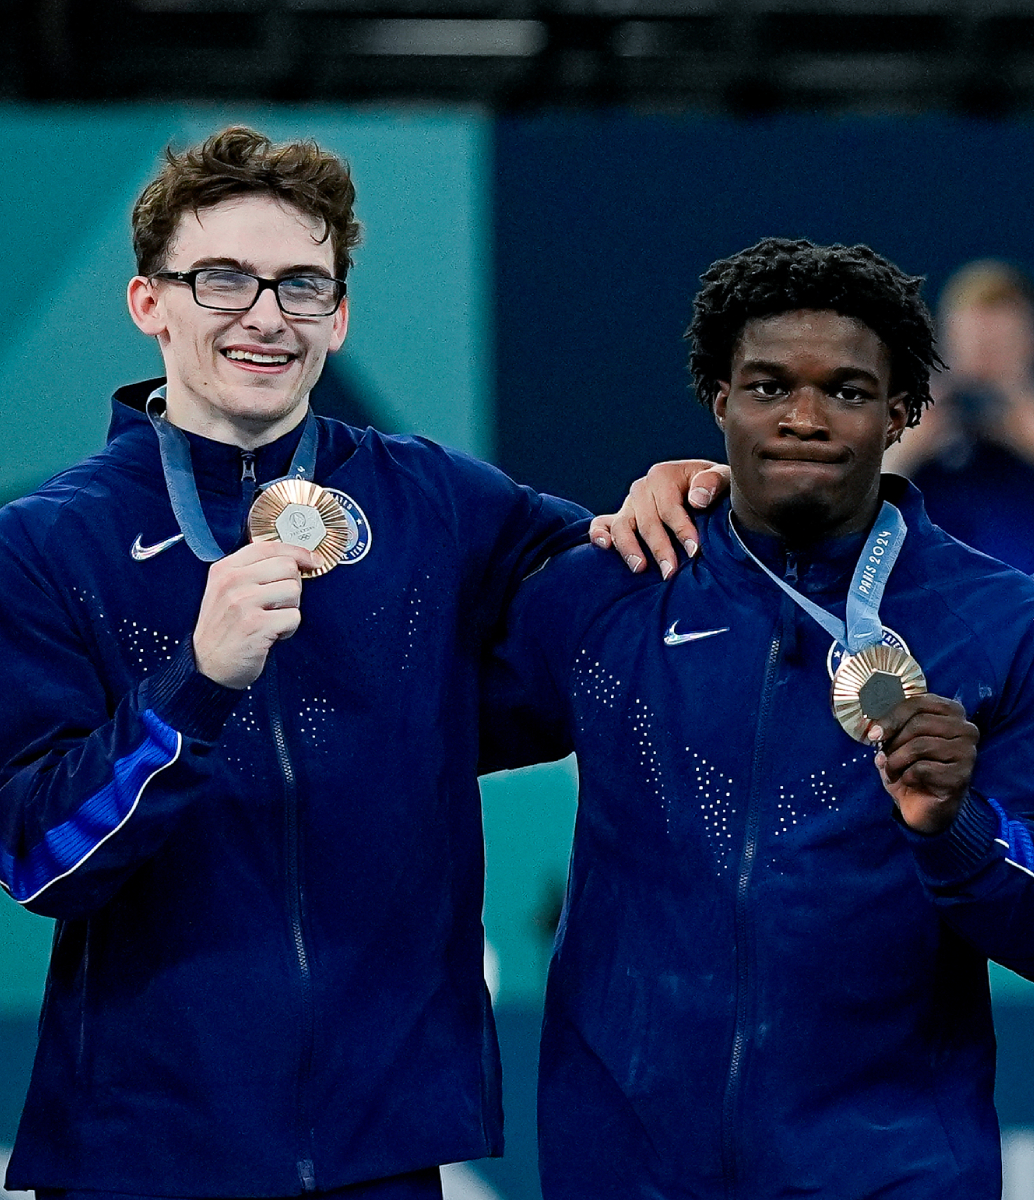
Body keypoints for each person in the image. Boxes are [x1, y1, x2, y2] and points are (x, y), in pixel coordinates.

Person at [0, 125, 701, 1200]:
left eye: (302, 285)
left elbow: (595, 635)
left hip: (382, 1148)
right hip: (140, 1150)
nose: (266, 315)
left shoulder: (443, 503)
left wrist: (670, 506)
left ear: (341, 314)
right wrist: (196, 681)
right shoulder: (49, 544)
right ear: (150, 303)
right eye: (222, 279)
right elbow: (41, 856)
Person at [479, 238, 1034, 1197]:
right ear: (718, 400)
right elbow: (412, 741)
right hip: (625, 1162)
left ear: (903, 411)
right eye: (769, 387)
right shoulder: (617, 591)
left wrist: (959, 827)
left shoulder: (1006, 625)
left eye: (849, 392)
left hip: (890, 1168)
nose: (806, 418)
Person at [881, 260, 1034, 573]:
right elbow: (843, 533)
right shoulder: (910, 442)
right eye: (974, 345)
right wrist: (903, 454)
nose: (986, 366)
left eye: (1002, 346)